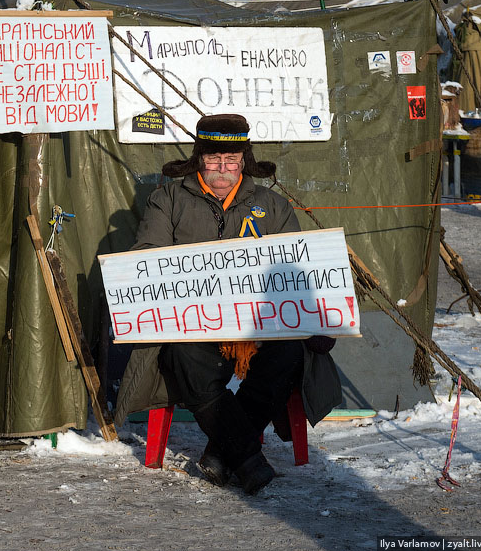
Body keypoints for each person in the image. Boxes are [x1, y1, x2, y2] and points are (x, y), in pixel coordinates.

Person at [113, 113, 342, 494]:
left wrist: (315, 317)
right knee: (183, 358)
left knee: (289, 356)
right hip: (193, 324)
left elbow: (297, 267)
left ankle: (223, 453)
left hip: (259, 327)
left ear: (244, 160)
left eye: (231, 161)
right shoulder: (167, 200)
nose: (223, 169)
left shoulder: (273, 205)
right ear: (199, 157)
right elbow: (147, 259)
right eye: (213, 160)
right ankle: (247, 459)